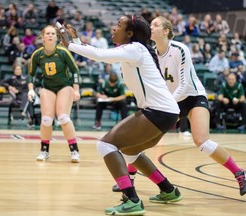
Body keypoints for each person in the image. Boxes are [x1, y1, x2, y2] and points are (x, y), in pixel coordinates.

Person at [112, 16, 246, 197]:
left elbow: (185, 83)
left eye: (155, 24)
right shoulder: (151, 53)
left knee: (202, 142)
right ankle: (130, 178)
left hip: (193, 97)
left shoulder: (180, 49)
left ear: (166, 31)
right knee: (144, 138)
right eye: (150, 25)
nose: (151, 27)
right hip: (170, 103)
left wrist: (166, 103)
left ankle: (240, 173)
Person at [58, 15, 182, 215]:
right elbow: (99, 53)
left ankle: (131, 199)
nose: (114, 28)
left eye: (118, 25)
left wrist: (70, 45)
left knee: (105, 145)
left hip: (158, 111)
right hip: (166, 113)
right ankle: (168, 190)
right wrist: (78, 42)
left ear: (130, 33)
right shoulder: (134, 50)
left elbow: (99, 55)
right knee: (130, 152)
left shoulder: (135, 49)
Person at [27, 25, 81, 163]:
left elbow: (75, 70)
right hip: (48, 88)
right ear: (43, 37)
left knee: (63, 118)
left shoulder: (63, 52)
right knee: (46, 120)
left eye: (53, 33)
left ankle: (74, 150)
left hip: (64, 87)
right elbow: (30, 74)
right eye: (48, 33)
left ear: (57, 37)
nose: (50, 35)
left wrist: (76, 90)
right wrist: (31, 89)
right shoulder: (37, 54)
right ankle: (44, 150)